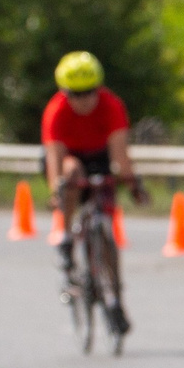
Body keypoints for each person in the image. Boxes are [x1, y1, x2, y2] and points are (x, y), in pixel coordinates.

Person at [41, 51, 142, 302]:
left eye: (89, 92)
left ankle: (114, 292)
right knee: (72, 172)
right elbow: (55, 157)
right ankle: (65, 239)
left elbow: (119, 154)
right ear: (65, 93)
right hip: (69, 158)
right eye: (76, 94)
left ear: (98, 88)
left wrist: (132, 184)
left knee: (106, 220)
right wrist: (57, 191)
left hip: (99, 157)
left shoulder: (111, 105)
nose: (83, 100)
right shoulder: (56, 111)